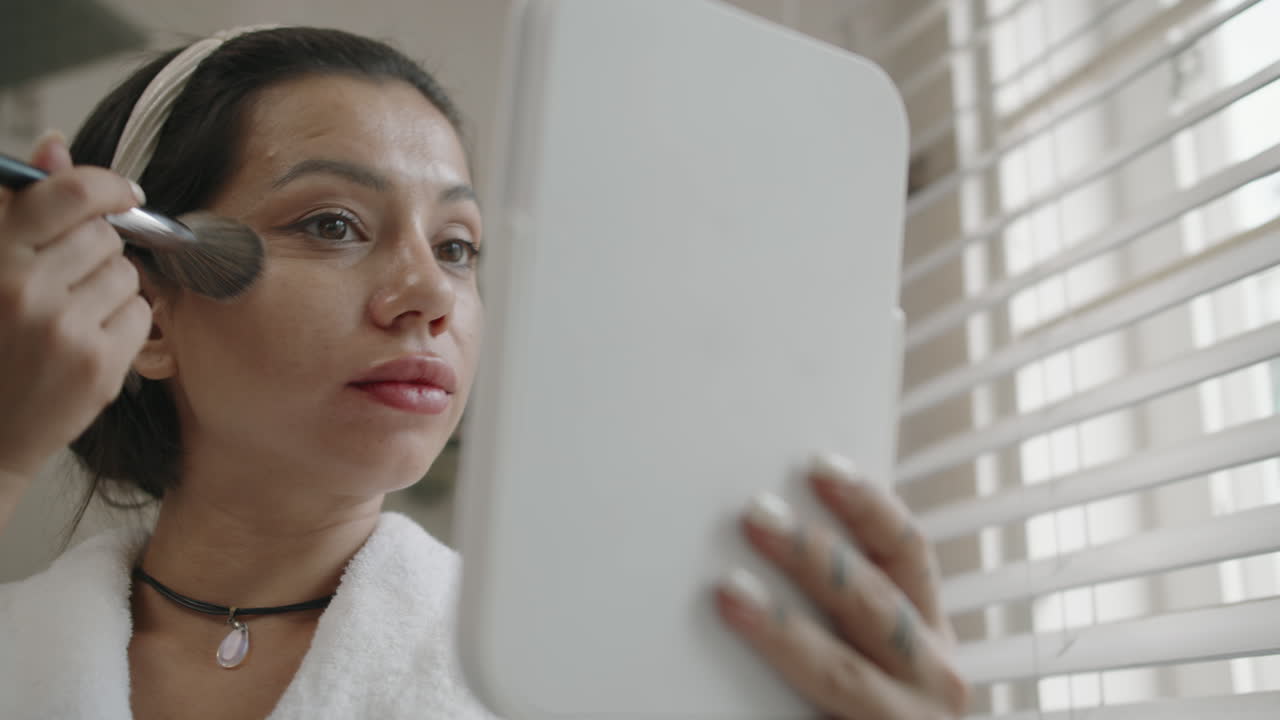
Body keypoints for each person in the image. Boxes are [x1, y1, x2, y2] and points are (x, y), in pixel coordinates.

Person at [0, 26, 968, 720]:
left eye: (459, 247)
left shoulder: (590, 683)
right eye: (332, 225)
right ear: (147, 306)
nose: (428, 295)